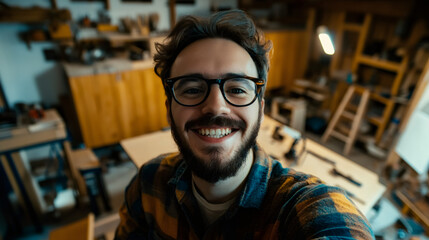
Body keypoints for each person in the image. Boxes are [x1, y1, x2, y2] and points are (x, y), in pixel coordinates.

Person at [115, 9, 374, 239]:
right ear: (169, 109)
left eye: (237, 89)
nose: (216, 107)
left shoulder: (302, 206)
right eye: (192, 89)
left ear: (260, 109)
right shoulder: (148, 185)